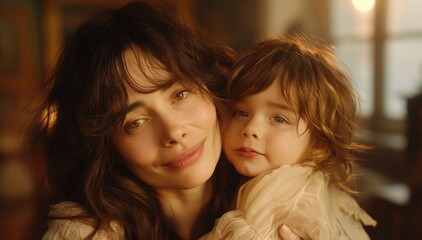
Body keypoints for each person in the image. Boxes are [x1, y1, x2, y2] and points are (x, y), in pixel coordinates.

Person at [23, 1, 301, 239]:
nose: (173, 131)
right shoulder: (86, 232)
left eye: (180, 94)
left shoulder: (290, 194)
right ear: (105, 145)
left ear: (211, 87)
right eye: (135, 121)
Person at [201, 36, 377, 239]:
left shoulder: (282, 192)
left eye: (279, 119)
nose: (251, 129)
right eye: (241, 112)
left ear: (318, 142)